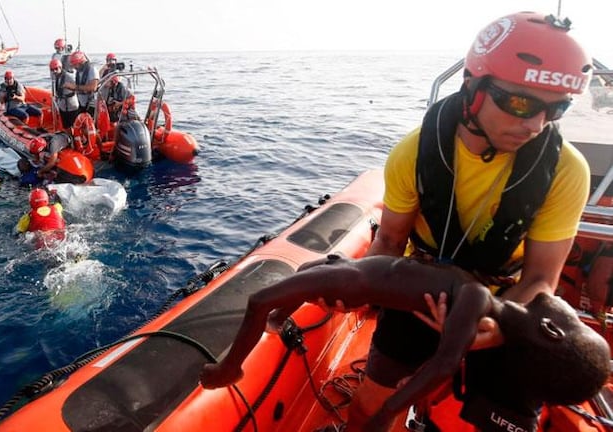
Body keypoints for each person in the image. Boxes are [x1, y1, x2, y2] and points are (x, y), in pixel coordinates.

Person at [341, 12, 594, 432]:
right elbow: (388, 241)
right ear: (473, 89)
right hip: (421, 292)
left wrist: (497, 325)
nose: (535, 124)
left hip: (508, 303)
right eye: (520, 103)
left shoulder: (567, 170)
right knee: (370, 408)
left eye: (556, 109)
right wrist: (350, 285)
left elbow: (540, 279)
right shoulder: (413, 153)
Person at [199, 255, 610, 432]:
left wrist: (389, 409)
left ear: (552, 332)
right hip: (359, 275)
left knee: (259, 300)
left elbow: (445, 363)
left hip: (358, 282)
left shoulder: (476, 299)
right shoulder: (479, 302)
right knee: (309, 273)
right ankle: (279, 317)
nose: (567, 307)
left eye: (573, 320)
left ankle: (229, 368)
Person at [21, 133, 86, 184]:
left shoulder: (53, 145)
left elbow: (52, 163)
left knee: (53, 160)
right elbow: (36, 153)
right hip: (57, 137)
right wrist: (37, 160)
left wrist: (40, 171)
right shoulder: (40, 139)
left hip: (68, 141)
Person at [64, 51, 99, 116]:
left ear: (81, 62)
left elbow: (93, 87)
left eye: (75, 64)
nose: (74, 67)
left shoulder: (92, 69)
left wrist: (75, 87)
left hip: (91, 104)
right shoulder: (79, 72)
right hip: (81, 102)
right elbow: (79, 87)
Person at [50, 58, 80, 130]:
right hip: (62, 106)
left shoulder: (69, 76)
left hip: (72, 106)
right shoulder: (56, 77)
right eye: (52, 69)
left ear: (60, 67)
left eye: (56, 69)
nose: (54, 71)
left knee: (74, 126)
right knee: (66, 126)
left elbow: (79, 87)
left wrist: (71, 88)